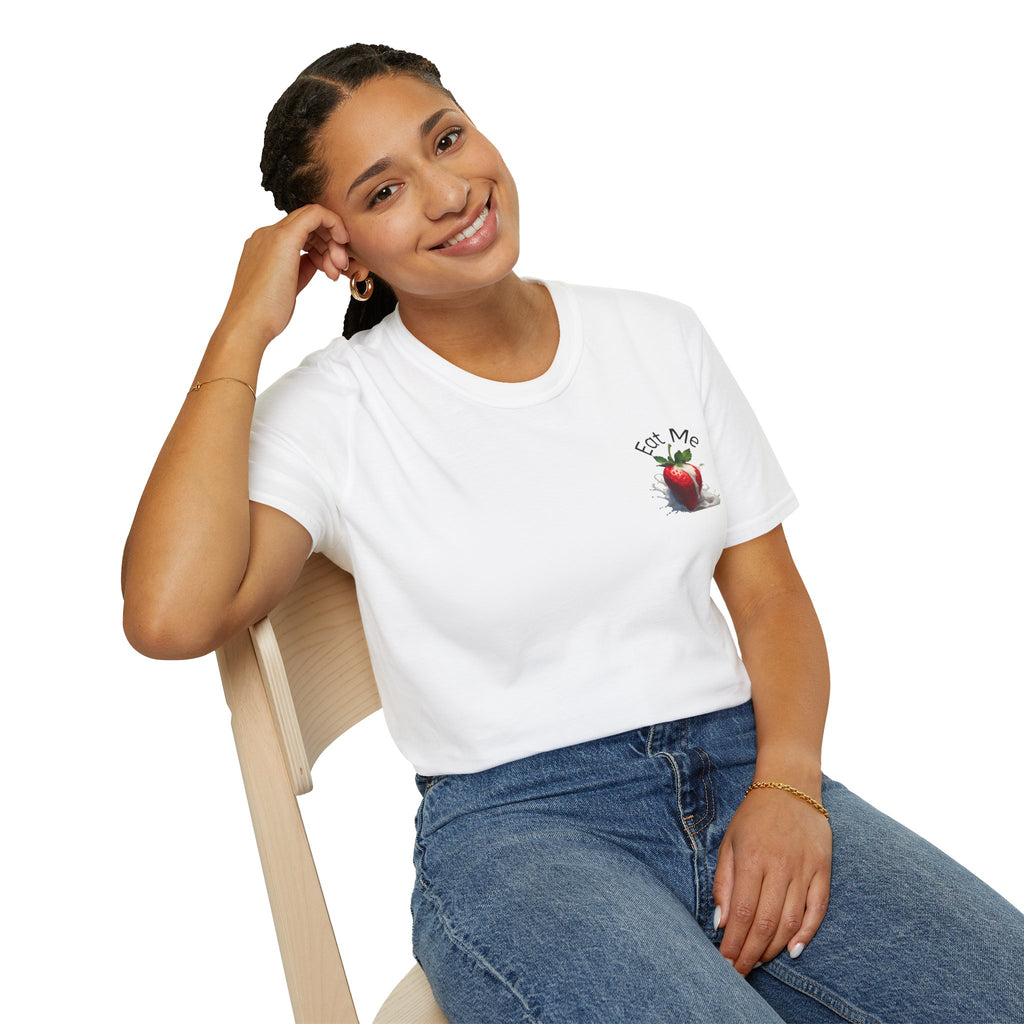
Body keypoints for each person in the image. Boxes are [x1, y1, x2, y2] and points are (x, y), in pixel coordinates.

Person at [122, 43, 1024, 1023]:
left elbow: (767, 597)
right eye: (384, 192)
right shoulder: (335, 411)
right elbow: (170, 614)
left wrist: (789, 786)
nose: (449, 191)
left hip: (742, 768)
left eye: (448, 139)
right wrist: (241, 328)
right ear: (342, 253)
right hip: (521, 832)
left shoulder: (658, 337)